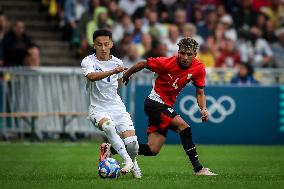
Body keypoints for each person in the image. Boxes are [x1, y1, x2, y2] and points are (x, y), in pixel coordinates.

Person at [107, 37, 217, 176]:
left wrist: (203, 109)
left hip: (164, 106)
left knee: (152, 149)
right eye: (182, 53)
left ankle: (112, 149)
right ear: (178, 51)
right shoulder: (166, 62)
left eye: (189, 54)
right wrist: (126, 75)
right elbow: (143, 64)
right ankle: (198, 169)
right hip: (154, 103)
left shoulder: (198, 68)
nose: (184, 57)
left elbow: (200, 92)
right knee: (184, 127)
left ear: (195, 55)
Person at [80, 29, 141, 178]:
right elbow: (92, 77)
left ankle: (133, 162)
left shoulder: (117, 62)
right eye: (99, 44)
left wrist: (115, 71)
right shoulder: (88, 61)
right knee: (108, 126)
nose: (103, 48)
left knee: (133, 144)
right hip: (97, 107)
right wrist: (113, 71)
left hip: (116, 106)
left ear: (111, 44)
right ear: (94, 45)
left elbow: (117, 85)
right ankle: (127, 160)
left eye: (106, 44)